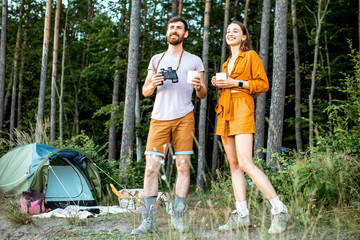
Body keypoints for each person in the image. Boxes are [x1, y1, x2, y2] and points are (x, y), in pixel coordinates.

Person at [211, 20, 290, 234]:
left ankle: (279, 209)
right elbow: (227, 86)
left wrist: (234, 84)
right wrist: (219, 84)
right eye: (228, 31)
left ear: (244, 36)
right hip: (225, 113)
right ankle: (242, 214)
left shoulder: (251, 56)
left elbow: (262, 84)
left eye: (235, 31)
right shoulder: (227, 62)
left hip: (242, 109)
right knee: (234, 165)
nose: (231, 33)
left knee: (246, 163)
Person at [131, 16, 207, 235]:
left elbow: (202, 94)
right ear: (167, 32)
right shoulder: (156, 59)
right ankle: (149, 220)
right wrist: (152, 84)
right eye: (171, 27)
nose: (175, 30)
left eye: (179, 28)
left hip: (185, 117)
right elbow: (145, 91)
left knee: (183, 166)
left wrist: (199, 86)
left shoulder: (194, 60)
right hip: (159, 118)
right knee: (150, 168)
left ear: (186, 34)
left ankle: (179, 218)